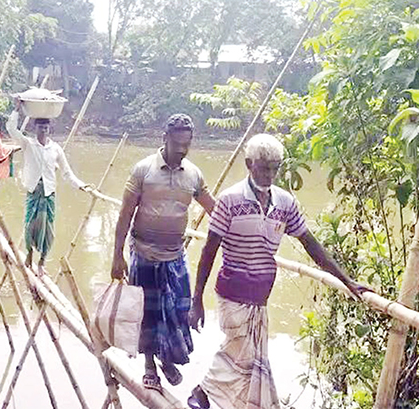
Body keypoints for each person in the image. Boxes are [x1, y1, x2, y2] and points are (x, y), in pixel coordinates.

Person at [188, 134, 366, 409]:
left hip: (261, 296)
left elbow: (310, 244)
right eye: (264, 167)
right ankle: (204, 391)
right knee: (242, 352)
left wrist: (346, 279)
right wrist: (196, 300)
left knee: (247, 356)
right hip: (232, 292)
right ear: (249, 164)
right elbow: (209, 251)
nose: (270, 175)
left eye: (275, 168)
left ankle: (215, 395)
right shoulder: (229, 200)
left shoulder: (285, 203)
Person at [111, 114, 215, 392]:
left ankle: (166, 359)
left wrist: (238, 225)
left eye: (187, 144)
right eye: (177, 143)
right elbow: (124, 215)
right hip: (144, 253)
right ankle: (149, 365)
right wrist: (117, 255)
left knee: (179, 312)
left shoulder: (193, 174)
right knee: (147, 313)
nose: (182, 149)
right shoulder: (143, 170)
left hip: (175, 255)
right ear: (165, 139)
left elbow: (214, 208)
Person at [7, 102, 93, 271]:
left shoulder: (55, 149)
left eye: (46, 127)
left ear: (49, 129)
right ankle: (29, 255)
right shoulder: (28, 144)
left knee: (47, 229)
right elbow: (11, 129)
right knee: (29, 225)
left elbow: (67, 173)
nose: (43, 130)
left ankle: (42, 262)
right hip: (33, 191)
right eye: (40, 127)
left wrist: (81, 186)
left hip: (49, 194)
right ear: (35, 128)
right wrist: (17, 109)